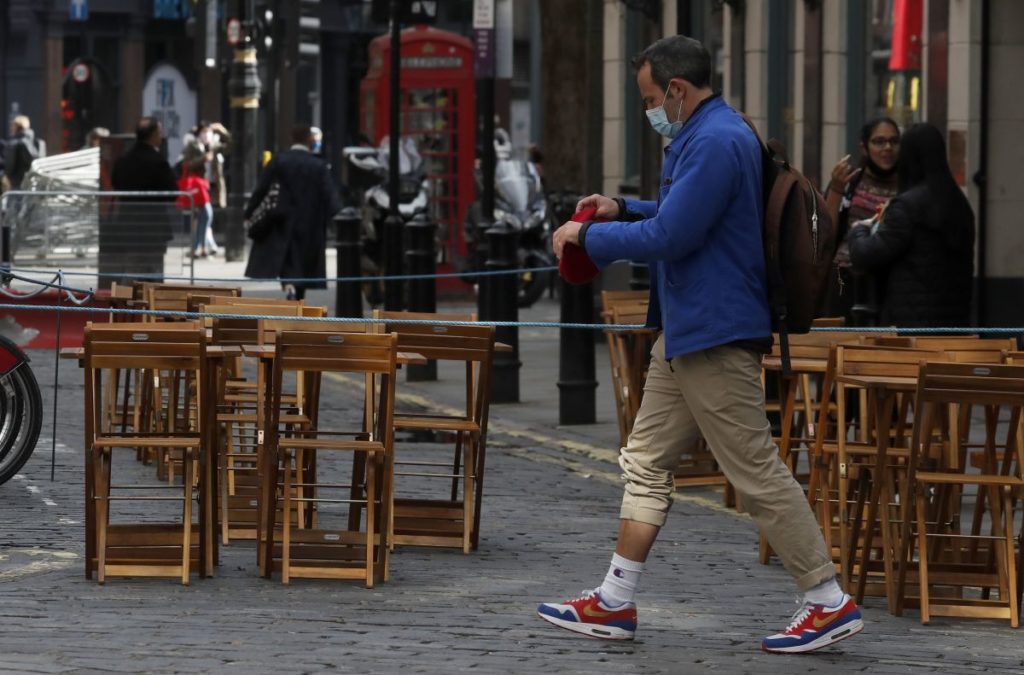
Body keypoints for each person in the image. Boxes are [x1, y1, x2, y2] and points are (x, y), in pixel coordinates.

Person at [538, 35, 863, 654]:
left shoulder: (714, 141)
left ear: (679, 90)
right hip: (690, 329)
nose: (650, 109)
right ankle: (613, 600)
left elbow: (677, 232)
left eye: (651, 98)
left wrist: (587, 236)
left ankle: (826, 599)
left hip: (712, 330)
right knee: (645, 458)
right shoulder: (713, 132)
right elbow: (680, 212)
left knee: (755, 470)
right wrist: (618, 206)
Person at [847, 123, 974, 327]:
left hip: (911, 324)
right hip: (955, 322)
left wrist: (859, 229)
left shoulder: (907, 206)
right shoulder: (960, 203)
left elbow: (865, 255)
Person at [244, 124, 342, 301]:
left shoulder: (279, 160)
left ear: (292, 139)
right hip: (310, 222)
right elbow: (330, 196)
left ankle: (289, 287)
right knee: (303, 262)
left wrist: (249, 211)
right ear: (309, 140)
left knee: (286, 257)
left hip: (282, 219)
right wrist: (339, 220)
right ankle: (298, 294)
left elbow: (261, 189)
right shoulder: (318, 165)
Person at [822, 117, 901, 324]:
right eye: (879, 141)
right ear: (864, 148)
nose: (887, 148)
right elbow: (825, 232)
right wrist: (837, 190)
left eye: (894, 141)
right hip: (846, 281)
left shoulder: (907, 183)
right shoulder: (849, 182)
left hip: (890, 284)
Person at [109, 117, 179, 282]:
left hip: (128, 228)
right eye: (160, 133)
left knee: (131, 273)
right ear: (154, 135)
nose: (161, 137)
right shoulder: (158, 161)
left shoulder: (123, 161)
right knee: (153, 275)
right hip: (153, 229)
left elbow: (115, 183)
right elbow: (173, 192)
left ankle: (129, 306)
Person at [177, 139, 214, 259]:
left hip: (201, 187)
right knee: (204, 217)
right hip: (196, 188)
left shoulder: (208, 145)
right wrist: (204, 158)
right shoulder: (193, 144)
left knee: (202, 219)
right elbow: (188, 164)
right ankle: (197, 247)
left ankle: (200, 247)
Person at [4, 115, 46, 190]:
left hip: (17, 183)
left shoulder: (13, 143)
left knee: (14, 200)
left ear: (16, 127)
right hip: (35, 183)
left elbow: (9, 165)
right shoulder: (39, 143)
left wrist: (7, 176)